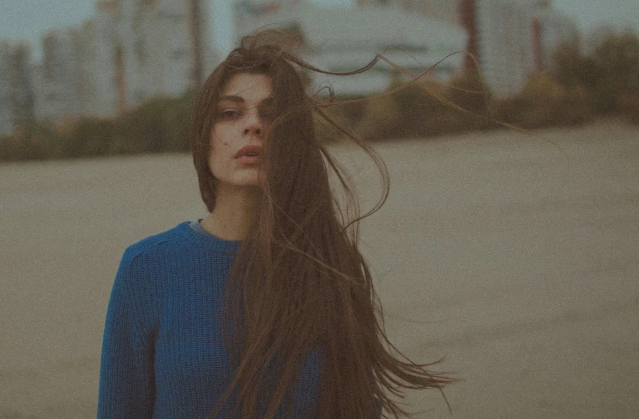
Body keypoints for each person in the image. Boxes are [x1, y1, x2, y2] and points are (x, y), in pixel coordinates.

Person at [97, 30, 454, 418]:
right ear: (204, 137)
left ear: (294, 138)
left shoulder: (330, 265)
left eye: (271, 114)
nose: (253, 125)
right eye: (230, 113)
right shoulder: (147, 268)